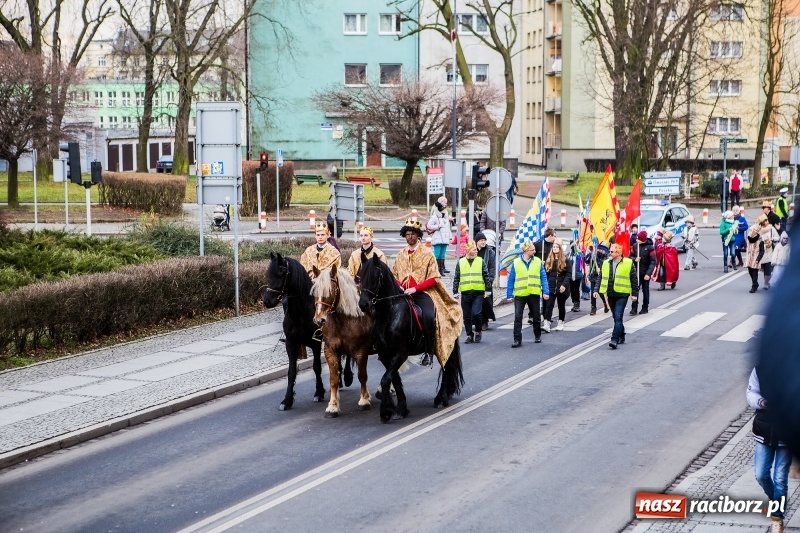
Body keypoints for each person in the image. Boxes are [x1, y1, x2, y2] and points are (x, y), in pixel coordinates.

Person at [393, 218, 462, 366]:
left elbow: (435, 277)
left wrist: (415, 288)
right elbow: (394, 275)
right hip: (402, 293)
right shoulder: (400, 255)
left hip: (422, 293)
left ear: (418, 235)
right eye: (407, 234)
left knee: (429, 316)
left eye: (412, 234)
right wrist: (400, 286)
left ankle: (429, 352)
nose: (409, 237)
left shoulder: (427, 253)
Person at [747, 367, 792, 533]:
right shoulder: (760, 370)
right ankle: (776, 501)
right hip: (764, 429)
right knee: (761, 474)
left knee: (780, 477)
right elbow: (751, 393)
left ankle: (777, 518)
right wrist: (762, 402)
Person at [594, 243, 638, 349]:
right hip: (610, 293)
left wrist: (634, 294)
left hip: (622, 294)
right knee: (615, 317)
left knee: (618, 316)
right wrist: (596, 290)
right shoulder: (606, 263)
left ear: (618, 253)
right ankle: (622, 334)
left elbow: (633, 279)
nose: (610, 253)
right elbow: (600, 277)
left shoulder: (628, 263)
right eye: (609, 251)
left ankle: (614, 339)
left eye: (612, 251)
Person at [507, 240, 550, 348]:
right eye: (532, 249)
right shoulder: (516, 263)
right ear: (526, 251)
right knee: (518, 317)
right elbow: (511, 279)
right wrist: (509, 295)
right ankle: (517, 339)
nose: (534, 251)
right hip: (520, 294)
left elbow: (543, 277)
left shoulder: (537, 261)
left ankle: (537, 335)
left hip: (533, 293)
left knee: (536, 316)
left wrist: (546, 291)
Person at [453, 241, 489, 343]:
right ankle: (469, 334)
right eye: (474, 249)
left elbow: (486, 276)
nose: (476, 251)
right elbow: (456, 278)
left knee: (476, 313)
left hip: (478, 292)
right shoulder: (461, 262)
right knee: (467, 316)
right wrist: (455, 291)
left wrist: (488, 290)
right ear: (468, 251)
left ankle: (478, 331)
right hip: (465, 292)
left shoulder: (480, 261)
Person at [542, 238, 571, 332]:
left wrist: (564, 285)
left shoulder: (566, 260)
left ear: (560, 248)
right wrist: (545, 286)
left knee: (561, 305)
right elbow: (546, 274)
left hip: (561, 287)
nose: (554, 248)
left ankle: (561, 322)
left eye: (556, 247)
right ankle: (546, 323)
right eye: (553, 247)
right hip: (551, 286)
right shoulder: (549, 260)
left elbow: (568, 274)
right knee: (549, 305)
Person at [475, 231, 497, 330]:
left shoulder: (490, 252)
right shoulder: (473, 251)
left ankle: (485, 321)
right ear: (477, 242)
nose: (483, 242)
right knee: (476, 303)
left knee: (485, 302)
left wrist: (490, 280)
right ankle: (477, 321)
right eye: (481, 240)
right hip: (475, 281)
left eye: (484, 240)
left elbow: (492, 268)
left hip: (486, 281)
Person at [427, 196, 453, 275]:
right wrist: (437, 227)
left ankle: (442, 268)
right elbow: (429, 225)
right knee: (437, 254)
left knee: (442, 254)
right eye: (444, 204)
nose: (445, 207)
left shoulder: (445, 218)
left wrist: (450, 236)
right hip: (438, 238)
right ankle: (437, 269)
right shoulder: (435, 216)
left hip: (444, 238)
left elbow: (448, 228)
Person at [630, 230, 653, 315]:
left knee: (645, 290)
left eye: (638, 239)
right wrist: (634, 259)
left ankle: (645, 307)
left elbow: (653, 261)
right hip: (636, 272)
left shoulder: (650, 247)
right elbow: (630, 257)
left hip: (645, 272)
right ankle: (634, 307)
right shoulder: (635, 246)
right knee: (635, 289)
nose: (636, 240)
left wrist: (648, 273)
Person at [758, 213, 780, 290]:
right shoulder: (758, 229)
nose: (767, 221)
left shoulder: (771, 228)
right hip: (761, 252)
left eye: (767, 220)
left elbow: (778, 237)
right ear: (762, 222)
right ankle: (766, 280)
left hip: (770, 251)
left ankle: (766, 283)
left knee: (768, 269)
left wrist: (772, 238)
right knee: (763, 268)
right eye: (765, 220)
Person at [588, 243, 609, 315]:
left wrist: (600, 269)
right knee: (593, 293)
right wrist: (590, 253)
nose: (599, 250)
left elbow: (606, 265)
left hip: (601, 277)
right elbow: (586, 261)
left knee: (601, 292)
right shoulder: (593, 255)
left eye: (601, 249)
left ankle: (605, 303)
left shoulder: (606, 257)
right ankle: (593, 307)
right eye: (598, 249)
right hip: (593, 277)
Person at [745, 226, 765, 293]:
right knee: (750, 272)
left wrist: (758, 259)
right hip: (749, 257)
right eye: (750, 230)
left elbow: (762, 251)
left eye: (752, 230)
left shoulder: (760, 239)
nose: (751, 232)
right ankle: (755, 284)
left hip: (756, 257)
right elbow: (746, 247)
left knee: (754, 272)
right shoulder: (748, 238)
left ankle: (753, 286)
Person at [567, 240, 584, 312]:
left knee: (576, 290)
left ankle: (577, 304)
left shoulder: (579, 254)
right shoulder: (568, 254)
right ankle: (574, 302)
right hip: (570, 275)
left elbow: (583, 263)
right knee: (571, 290)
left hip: (577, 275)